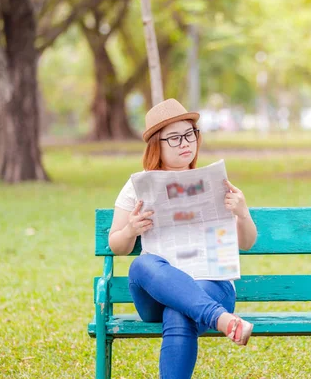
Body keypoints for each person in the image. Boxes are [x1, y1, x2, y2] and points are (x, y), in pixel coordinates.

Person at [108, 98, 258, 379]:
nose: (185, 143)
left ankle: (216, 315)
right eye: (174, 138)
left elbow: (247, 242)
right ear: (156, 144)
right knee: (141, 265)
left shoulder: (215, 181)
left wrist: (242, 213)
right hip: (156, 295)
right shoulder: (138, 185)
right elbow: (117, 245)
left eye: (190, 134)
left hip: (212, 285)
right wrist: (130, 230)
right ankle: (220, 319)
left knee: (179, 313)